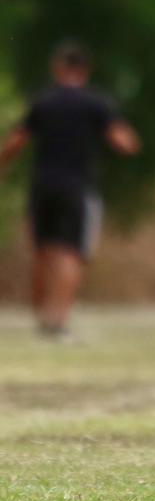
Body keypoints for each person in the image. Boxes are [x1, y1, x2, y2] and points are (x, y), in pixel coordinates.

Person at [0, 42, 140, 340]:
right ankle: (58, 320)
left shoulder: (43, 102)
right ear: (85, 71)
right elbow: (123, 143)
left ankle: (41, 314)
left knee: (43, 251)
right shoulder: (96, 103)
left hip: (43, 186)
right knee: (71, 253)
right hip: (77, 186)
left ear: (57, 69)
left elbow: (15, 142)